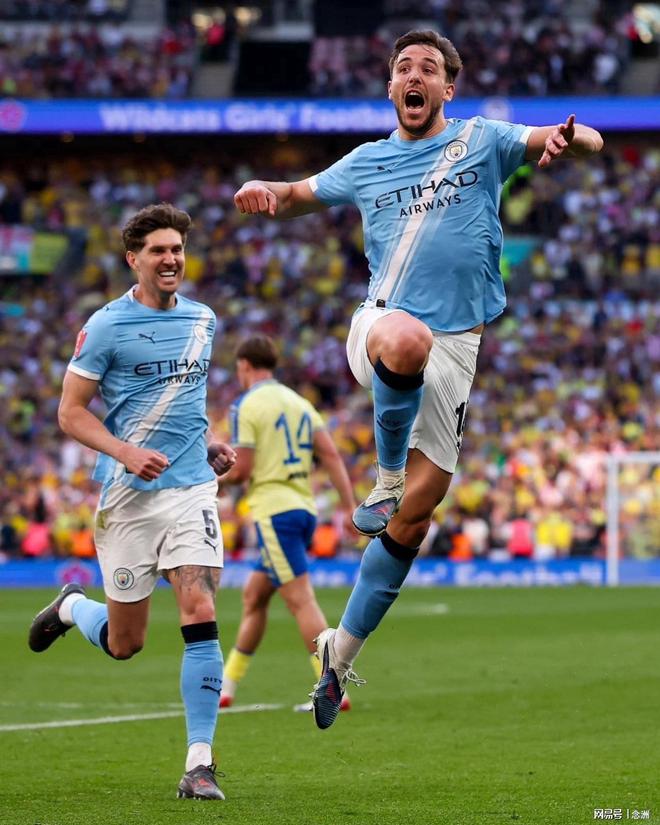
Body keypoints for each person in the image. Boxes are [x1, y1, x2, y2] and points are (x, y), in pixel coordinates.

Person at [233, 29, 604, 730]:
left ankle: (339, 655)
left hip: (460, 346)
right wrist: (264, 190)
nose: (414, 75)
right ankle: (385, 475)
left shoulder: (481, 139)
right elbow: (298, 192)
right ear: (390, 88)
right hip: (382, 325)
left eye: (428, 68)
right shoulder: (367, 161)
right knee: (407, 341)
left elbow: (574, 140)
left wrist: (572, 139)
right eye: (403, 67)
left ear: (446, 88)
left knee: (419, 513)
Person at [27, 203, 236, 799]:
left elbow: (182, 401)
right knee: (126, 644)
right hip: (128, 498)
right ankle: (73, 607)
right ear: (133, 259)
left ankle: (199, 764)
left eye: (177, 249)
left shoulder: (203, 319)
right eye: (158, 251)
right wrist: (124, 452)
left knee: (199, 607)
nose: (171, 259)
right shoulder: (105, 326)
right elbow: (70, 413)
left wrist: (206, 444)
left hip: (191, 489)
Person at [215, 334, 358, 712]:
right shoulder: (299, 403)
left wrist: (211, 481)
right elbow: (331, 455)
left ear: (244, 366)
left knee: (301, 601)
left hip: (274, 511)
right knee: (255, 596)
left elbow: (242, 469)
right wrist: (349, 507)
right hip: (303, 509)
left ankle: (334, 688)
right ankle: (227, 685)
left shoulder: (246, 405)